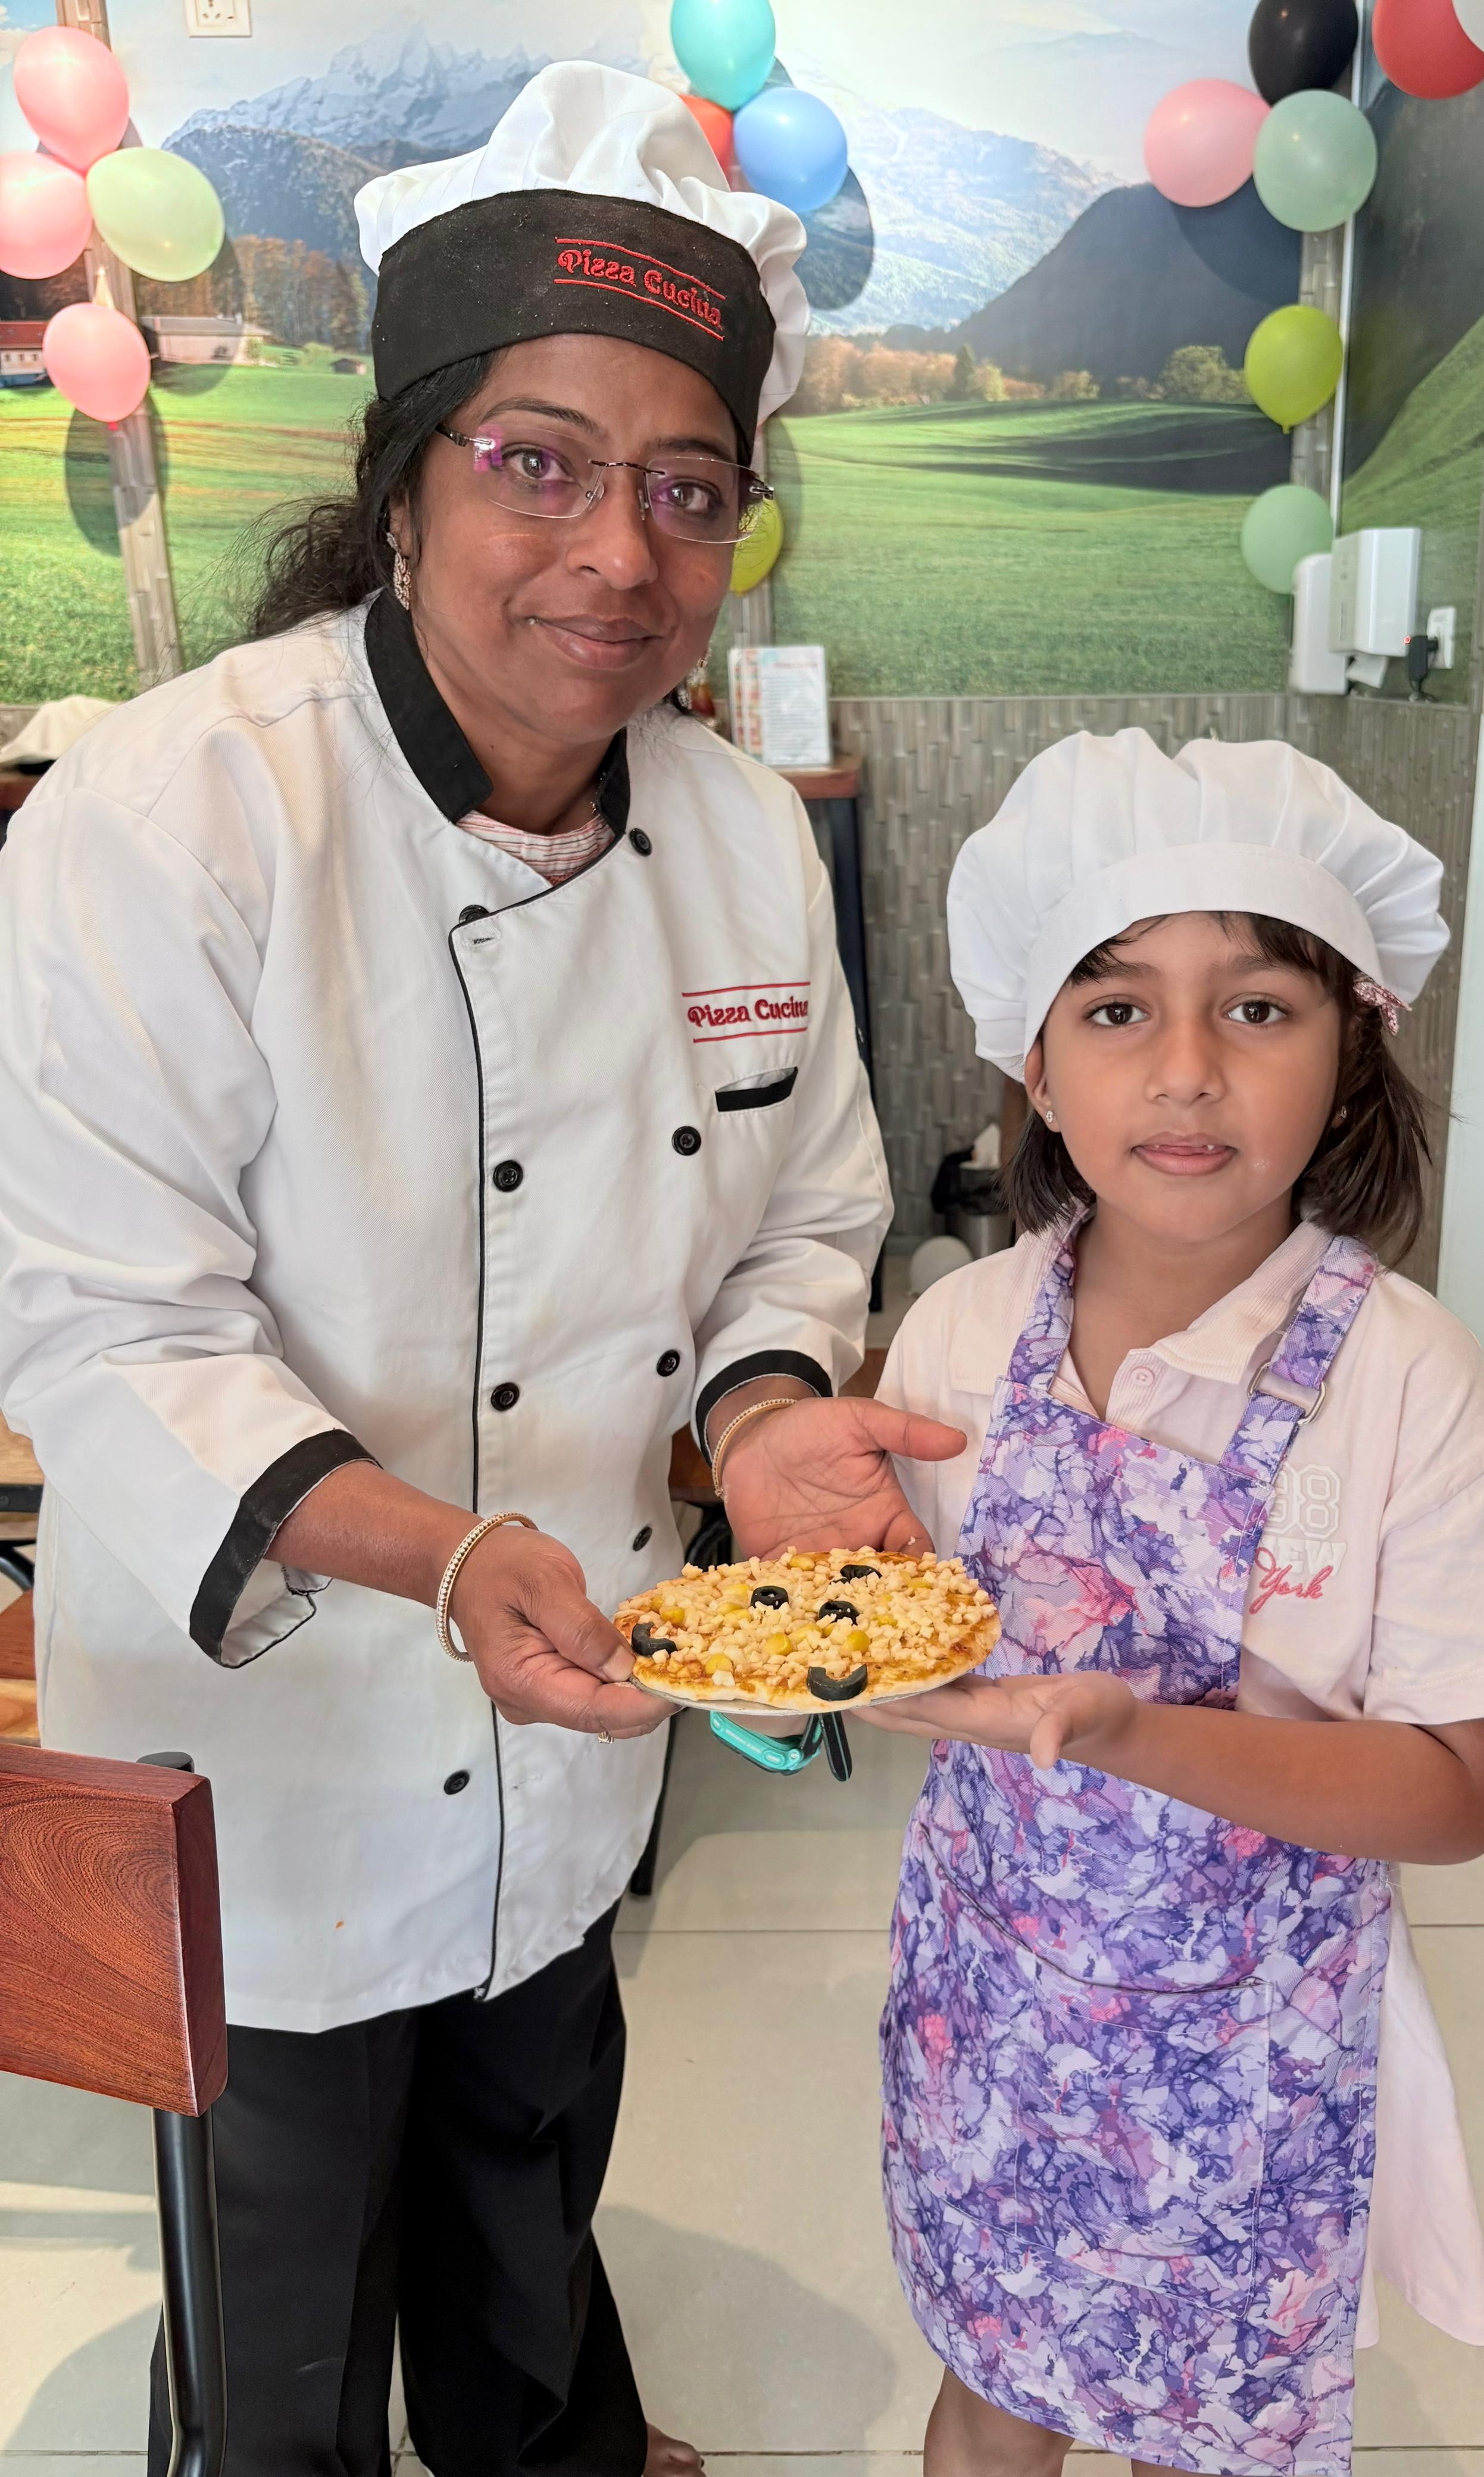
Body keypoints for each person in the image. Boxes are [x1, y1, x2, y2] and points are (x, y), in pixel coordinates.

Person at [0, 64, 961, 2477]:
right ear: (406, 479)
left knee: (530, 2176)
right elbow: (104, 1322)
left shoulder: (740, 839)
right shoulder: (174, 814)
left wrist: (765, 1414)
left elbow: (806, 1210)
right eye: (541, 462)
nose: (617, 554)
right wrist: (436, 1552)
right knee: (282, 2311)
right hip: (269, 1730)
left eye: (690, 489)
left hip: (584, 1695)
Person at [862, 730, 1484, 2475]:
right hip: (991, 2005)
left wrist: (1132, 1732)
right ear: (1034, 1062)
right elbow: (884, 1633)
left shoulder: (1411, 1385)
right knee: (993, 2385)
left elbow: (1460, 1795)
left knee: (1209, 2427)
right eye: (1117, 1009)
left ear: (1353, 1050)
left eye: (1259, 1008)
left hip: (1253, 2061)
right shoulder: (959, 1338)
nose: (1187, 1072)